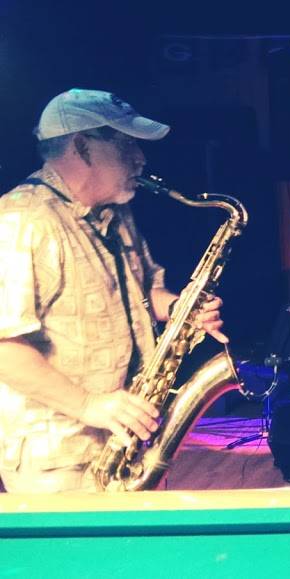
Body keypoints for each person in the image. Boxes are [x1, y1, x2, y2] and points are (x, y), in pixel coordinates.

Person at [0, 89, 227, 493]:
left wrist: (180, 308)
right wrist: (88, 404)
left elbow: (143, 292)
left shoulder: (115, 213)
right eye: (126, 145)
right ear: (81, 146)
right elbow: (4, 349)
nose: (141, 159)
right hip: (58, 456)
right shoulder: (21, 221)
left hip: (122, 439)